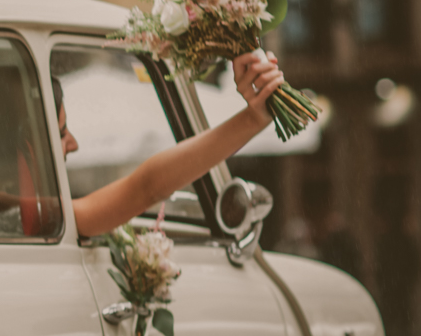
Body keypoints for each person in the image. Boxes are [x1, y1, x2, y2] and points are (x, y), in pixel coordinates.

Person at [59, 49, 286, 238]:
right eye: (60, 133)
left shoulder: (46, 215)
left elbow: (148, 187)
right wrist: (253, 120)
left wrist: (254, 118)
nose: (73, 144)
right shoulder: (47, 216)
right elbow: (147, 187)